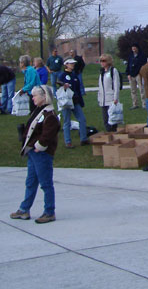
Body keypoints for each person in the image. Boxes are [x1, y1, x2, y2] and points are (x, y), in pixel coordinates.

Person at [10, 85, 60, 224]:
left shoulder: (49, 115)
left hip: (42, 154)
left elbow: (48, 134)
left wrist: (39, 147)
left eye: (35, 96)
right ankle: (24, 209)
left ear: (44, 97)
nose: (33, 98)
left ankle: (49, 212)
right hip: (33, 153)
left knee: (45, 184)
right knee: (30, 182)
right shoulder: (40, 111)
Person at [58, 58, 89, 148]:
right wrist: (63, 86)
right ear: (66, 64)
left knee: (82, 119)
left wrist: (81, 101)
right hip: (66, 102)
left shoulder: (75, 75)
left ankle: (84, 139)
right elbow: (59, 85)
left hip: (75, 101)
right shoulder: (62, 75)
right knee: (67, 121)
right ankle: (68, 142)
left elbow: (78, 89)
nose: (73, 65)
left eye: (73, 63)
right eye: (71, 63)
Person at [97, 54, 120, 132]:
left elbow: (116, 85)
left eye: (104, 61)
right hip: (103, 100)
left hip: (111, 99)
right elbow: (100, 86)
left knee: (113, 119)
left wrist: (115, 98)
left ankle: (113, 134)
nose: (102, 63)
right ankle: (109, 134)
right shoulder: (102, 72)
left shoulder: (113, 71)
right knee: (105, 120)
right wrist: (99, 98)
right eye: (101, 61)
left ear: (108, 61)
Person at [126, 43, 147, 110]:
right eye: (132, 48)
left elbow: (144, 65)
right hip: (131, 75)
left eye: (134, 48)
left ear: (137, 48)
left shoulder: (142, 56)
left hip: (139, 74)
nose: (133, 49)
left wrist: (141, 73)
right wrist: (128, 74)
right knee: (133, 90)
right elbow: (128, 65)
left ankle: (144, 104)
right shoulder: (130, 56)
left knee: (142, 89)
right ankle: (135, 104)